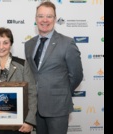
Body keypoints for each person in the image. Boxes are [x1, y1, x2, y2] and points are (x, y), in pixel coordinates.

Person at [24, 1, 83, 134]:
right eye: (40, 16)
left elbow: (77, 75)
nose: (45, 20)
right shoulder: (29, 44)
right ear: (35, 19)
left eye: (49, 16)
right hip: (36, 107)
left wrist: (61, 92)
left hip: (58, 106)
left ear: (55, 19)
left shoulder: (67, 43)